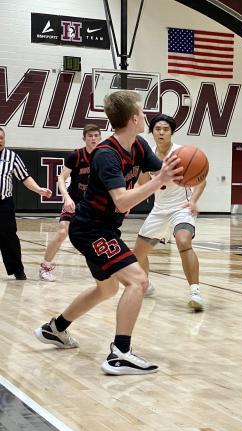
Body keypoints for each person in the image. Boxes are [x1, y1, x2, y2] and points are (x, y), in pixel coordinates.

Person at [34, 91, 182, 375]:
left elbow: (162, 170)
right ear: (134, 118)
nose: (146, 117)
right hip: (91, 229)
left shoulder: (138, 145)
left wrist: (181, 169)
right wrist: (159, 181)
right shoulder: (106, 155)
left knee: (108, 288)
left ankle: (56, 328)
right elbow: (123, 201)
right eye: (142, 112)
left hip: (102, 228)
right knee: (137, 280)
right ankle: (120, 353)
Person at [132, 114, 207, 311]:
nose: (161, 132)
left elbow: (201, 180)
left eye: (165, 129)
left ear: (171, 132)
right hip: (158, 211)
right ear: (152, 132)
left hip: (180, 208)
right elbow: (142, 184)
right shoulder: (148, 156)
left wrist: (193, 201)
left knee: (183, 241)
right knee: (137, 254)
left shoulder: (182, 153)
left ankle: (195, 292)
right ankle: (146, 284)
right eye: (158, 129)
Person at [39, 125, 101, 281]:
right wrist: (66, 197)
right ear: (84, 138)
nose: (93, 138)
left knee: (99, 235)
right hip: (74, 200)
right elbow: (61, 178)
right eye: (90, 136)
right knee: (62, 232)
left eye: (96, 135)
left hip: (92, 203)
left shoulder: (104, 156)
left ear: (100, 138)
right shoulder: (76, 156)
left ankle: (103, 268)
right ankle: (45, 267)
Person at [0, 127, 52, 280]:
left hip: (4, 203)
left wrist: (39, 190)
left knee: (10, 238)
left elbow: (25, 177)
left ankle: (18, 271)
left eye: (2, 137)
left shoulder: (12, 157)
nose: (0, 140)